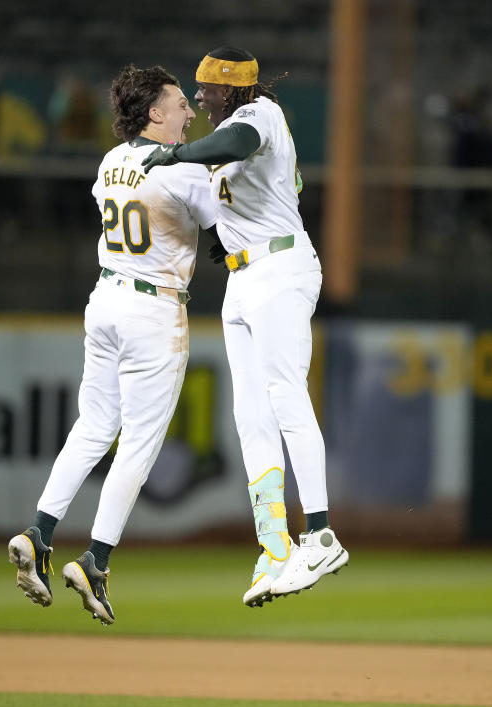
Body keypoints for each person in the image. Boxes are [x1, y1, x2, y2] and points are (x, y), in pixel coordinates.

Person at [7, 65, 215, 626]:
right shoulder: (184, 169)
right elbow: (224, 224)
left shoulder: (111, 160)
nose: (189, 112)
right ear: (154, 113)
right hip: (154, 307)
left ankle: (39, 531)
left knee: (93, 427)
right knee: (138, 447)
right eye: (178, 104)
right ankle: (95, 560)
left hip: (105, 299)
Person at [142, 46, 349, 607]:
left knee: (286, 397)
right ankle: (275, 545)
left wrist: (176, 154)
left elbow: (237, 144)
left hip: (280, 269)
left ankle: (322, 533)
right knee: (251, 417)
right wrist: (226, 234)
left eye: (207, 89)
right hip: (246, 276)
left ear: (230, 88)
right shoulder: (234, 129)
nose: (201, 97)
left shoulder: (258, 115)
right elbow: (265, 189)